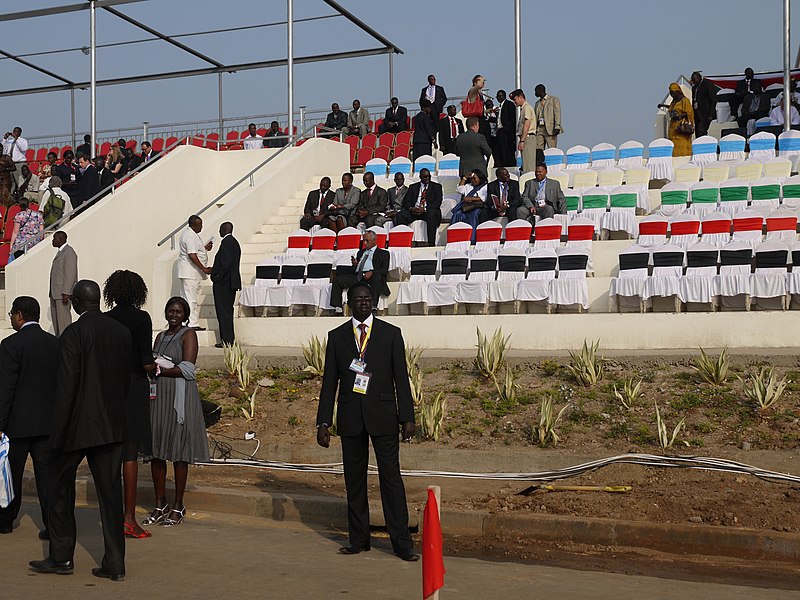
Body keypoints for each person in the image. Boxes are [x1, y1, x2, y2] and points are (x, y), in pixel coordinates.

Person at [30, 280, 131, 581]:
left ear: (75, 303)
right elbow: (125, 381)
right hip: (112, 426)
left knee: (59, 489)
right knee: (111, 496)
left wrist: (56, 433)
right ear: (97, 300)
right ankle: (115, 564)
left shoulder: (72, 334)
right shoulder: (121, 332)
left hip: (76, 426)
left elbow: (66, 387)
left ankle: (61, 557)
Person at [316, 282, 418, 561]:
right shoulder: (336, 337)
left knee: (391, 479)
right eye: (358, 298)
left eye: (367, 298)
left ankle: (402, 543)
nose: (363, 302)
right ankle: (359, 539)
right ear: (349, 302)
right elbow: (329, 383)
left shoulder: (391, 334)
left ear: (372, 302)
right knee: (355, 481)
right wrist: (323, 421)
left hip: (384, 416)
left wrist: (407, 417)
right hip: (351, 418)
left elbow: (401, 379)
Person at [143, 297, 210, 529]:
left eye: (178, 311)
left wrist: (160, 369)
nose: (173, 314)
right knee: (157, 451)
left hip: (178, 399)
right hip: (158, 397)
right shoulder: (161, 336)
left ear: (185, 314)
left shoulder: (188, 334)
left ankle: (178, 504)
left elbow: (188, 369)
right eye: (170, 310)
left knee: (179, 452)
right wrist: (152, 367)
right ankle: (160, 503)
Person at [0, 296, 59, 539]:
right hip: (47, 423)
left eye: (12, 314)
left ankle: (5, 520)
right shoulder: (54, 343)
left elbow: (5, 388)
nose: (11, 318)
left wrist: (0, 424)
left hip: (17, 424)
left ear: (20, 314)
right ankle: (51, 523)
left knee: (10, 473)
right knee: (46, 477)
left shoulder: (10, 345)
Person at [103, 270, 156, 540]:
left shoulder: (105, 319)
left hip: (109, 388)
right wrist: (155, 368)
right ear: (138, 292)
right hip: (134, 386)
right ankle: (129, 519)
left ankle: (110, 518)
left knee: (111, 452)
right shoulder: (141, 318)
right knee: (130, 454)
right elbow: (147, 360)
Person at [329, 231, 390, 311]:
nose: (365, 243)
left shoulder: (383, 253)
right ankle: (337, 307)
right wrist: (355, 265)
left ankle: (373, 306)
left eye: (367, 240)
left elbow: (384, 270)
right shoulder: (360, 252)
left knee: (377, 278)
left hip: (372, 276)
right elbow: (356, 269)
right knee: (338, 280)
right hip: (358, 276)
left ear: (374, 240)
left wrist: (372, 272)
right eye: (364, 240)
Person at [177, 215, 213, 331]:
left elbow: (195, 250)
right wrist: (204, 268)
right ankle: (192, 323)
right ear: (193, 225)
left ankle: (187, 322)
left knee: (188, 297)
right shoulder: (190, 236)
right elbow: (192, 255)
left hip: (190, 273)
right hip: (190, 273)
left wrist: (204, 248)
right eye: (199, 225)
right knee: (191, 299)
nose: (201, 227)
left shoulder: (191, 235)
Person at [210, 222, 241, 348]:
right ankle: (228, 338)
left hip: (224, 284)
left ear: (223, 229)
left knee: (223, 312)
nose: (219, 232)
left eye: (220, 229)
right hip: (229, 282)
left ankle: (227, 340)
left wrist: (217, 277)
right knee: (226, 311)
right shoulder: (234, 242)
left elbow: (226, 264)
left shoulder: (227, 243)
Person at [395, 168, 442, 246]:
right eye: (425, 177)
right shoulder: (413, 187)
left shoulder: (437, 187)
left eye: (428, 176)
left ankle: (431, 243)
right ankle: (402, 242)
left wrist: (425, 209)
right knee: (401, 215)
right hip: (415, 211)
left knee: (432, 214)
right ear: (420, 177)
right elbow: (407, 202)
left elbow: (437, 202)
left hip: (428, 211)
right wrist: (411, 208)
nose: (427, 178)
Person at [49, 231, 78, 337]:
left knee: (63, 324)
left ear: (61, 239)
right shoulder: (61, 252)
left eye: (54, 238)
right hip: (55, 294)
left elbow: (70, 274)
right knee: (57, 324)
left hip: (62, 295)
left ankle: (66, 345)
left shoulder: (69, 252)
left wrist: (66, 292)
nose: (52, 241)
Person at [659, 83, 694, 157]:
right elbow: (673, 108)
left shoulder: (685, 100)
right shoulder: (674, 101)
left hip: (681, 128)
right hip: (673, 129)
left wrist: (679, 116)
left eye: (673, 93)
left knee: (682, 146)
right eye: (671, 93)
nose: (672, 95)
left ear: (678, 91)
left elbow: (689, 112)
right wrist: (664, 105)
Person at [450, 170, 488, 239]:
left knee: (474, 215)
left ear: (480, 178)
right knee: (457, 214)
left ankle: (472, 238)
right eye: (471, 179)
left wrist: (470, 199)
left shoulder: (485, 186)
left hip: (477, 207)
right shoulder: (468, 186)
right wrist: (465, 177)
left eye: (474, 179)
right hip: (467, 207)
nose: (472, 180)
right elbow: (459, 190)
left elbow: (483, 198)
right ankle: (455, 237)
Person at [510, 89, 537, 173]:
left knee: (529, 167)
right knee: (525, 165)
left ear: (520, 97)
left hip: (528, 138)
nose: (515, 102)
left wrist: (522, 140)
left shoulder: (527, 108)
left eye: (515, 99)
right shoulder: (524, 108)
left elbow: (527, 124)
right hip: (525, 138)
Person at [533, 84, 563, 152]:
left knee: (552, 150)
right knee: (539, 149)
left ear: (541, 90)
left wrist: (557, 126)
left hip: (550, 128)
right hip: (540, 128)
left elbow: (557, 113)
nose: (535, 93)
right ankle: (540, 162)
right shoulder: (537, 103)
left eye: (536, 91)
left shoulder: (553, 100)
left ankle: (551, 162)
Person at [690, 71, 719, 138]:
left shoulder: (707, 84)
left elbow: (713, 100)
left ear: (700, 78)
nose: (694, 81)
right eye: (693, 79)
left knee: (702, 131)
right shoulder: (694, 88)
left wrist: (711, 114)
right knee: (698, 131)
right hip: (697, 113)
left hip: (706, 112)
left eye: (695, 79)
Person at [494, 90, 517, 168]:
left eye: (500, 96)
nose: (499, 98)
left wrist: (507, 129)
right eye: (497, 97)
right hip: (500, 131)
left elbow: (512, 118)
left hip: (506, 132)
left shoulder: (509, 104)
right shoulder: (500, 107)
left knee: (507, 151)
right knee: (500, 151)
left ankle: (509, 166)